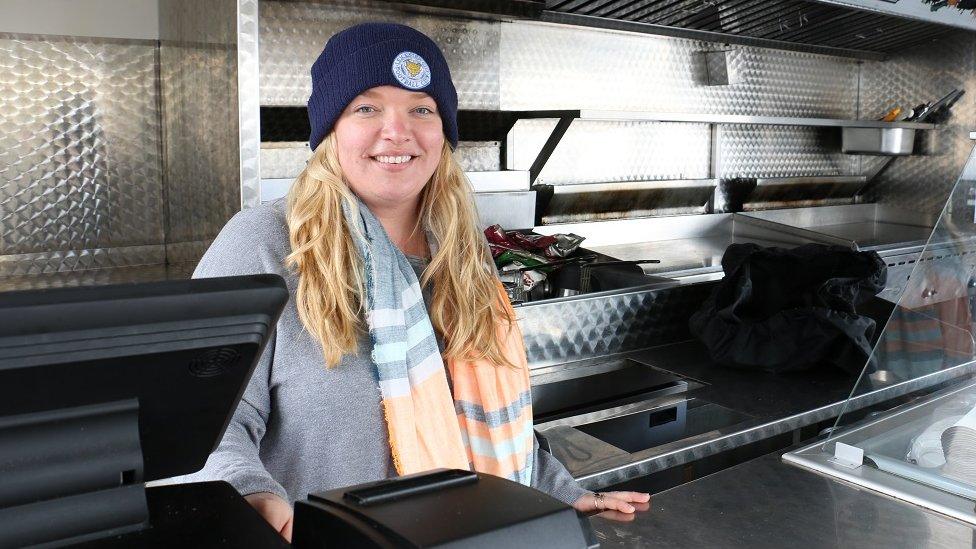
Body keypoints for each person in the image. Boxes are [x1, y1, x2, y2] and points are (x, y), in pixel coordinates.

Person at [182, 22, 649, 541]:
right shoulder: (264, 242)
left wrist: (559, 491)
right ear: (330, 127)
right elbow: (201, 417)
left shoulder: (461, 251)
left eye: (421, 109)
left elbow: (486, 412)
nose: (397, 130)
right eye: (367, 107)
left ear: (443, 133)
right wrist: (250, 494)